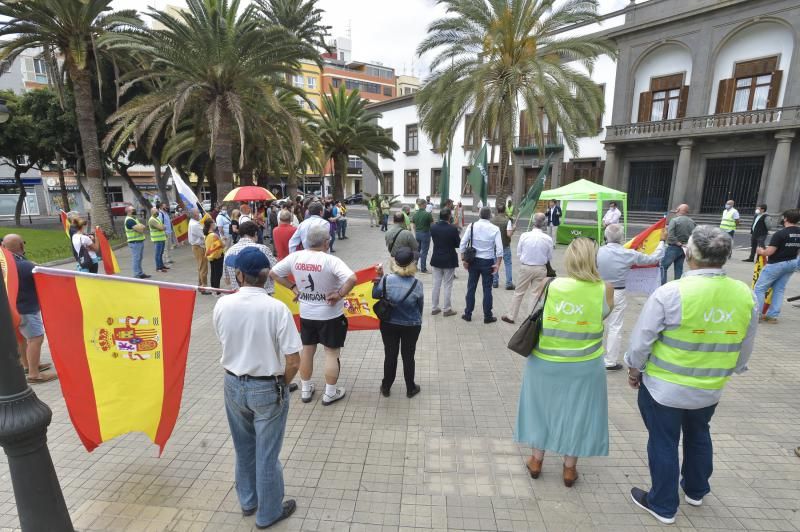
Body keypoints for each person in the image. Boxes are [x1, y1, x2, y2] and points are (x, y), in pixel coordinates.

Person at [625, 226, 757, 525]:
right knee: (699, 434)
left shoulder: (671, 292)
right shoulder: (743, 293)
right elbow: (745, 345)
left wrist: (634, 369)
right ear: (725, 257)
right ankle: (696, 490)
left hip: (664, 388)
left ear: (689, 253)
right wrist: (732, 369)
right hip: (710, 386)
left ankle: (662, 504)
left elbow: (640, 342)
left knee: (663, 441)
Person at [213, 247, 300, 528]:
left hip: (233, 383)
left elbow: (223, 340)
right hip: (268, 386)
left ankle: (248, 501)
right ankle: (268, 512)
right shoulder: (277, 309)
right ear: (266, 277)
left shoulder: (223, 305)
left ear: (239, 275)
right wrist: (282, 385)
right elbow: (293, 361)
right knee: (267, 453)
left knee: (244, 447)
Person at [516, 237, 614, 487]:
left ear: (569, 259)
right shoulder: (606, 289)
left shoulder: (551, 285)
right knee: (577, 413)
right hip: (586, 364)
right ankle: (569, 469)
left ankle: (536, 460)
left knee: (541, 408)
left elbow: (536, 310)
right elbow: (605, 314)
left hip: (546, 360)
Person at [270, 226, 357, 406]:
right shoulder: (331, 260)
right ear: (326, 242)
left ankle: (306, 389)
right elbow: (352, 278)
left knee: (307, 351)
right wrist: (339, 295)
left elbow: (273, 273)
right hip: (330, 315)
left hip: (307, 314)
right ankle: (330, 393)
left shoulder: (296, 257)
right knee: (331, 353)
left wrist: (293, 287)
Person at [597, 223, 665, 370]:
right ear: (622, 238)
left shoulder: (597, 251)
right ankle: (610, 360)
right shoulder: (628, 254)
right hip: (618, 292)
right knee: (615, 326)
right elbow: (654, 258)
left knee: (594, 323)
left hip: (598, 290)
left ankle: (590, 355)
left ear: (605, 236)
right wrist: (661, 242)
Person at [2, 234, 57, 383]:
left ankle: (28, 365)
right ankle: (34, 374)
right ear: (21, 246)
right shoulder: (26, 265)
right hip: (27, 308)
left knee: (23, 339)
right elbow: (45, 275)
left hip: (13, 307)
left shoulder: (7, 263)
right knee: (36, 338)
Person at [372, 248, 424, 398]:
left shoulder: (386, 279)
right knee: (408, 356)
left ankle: (386, 387)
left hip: (389, 323)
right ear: (412, 264)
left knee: (390, 354)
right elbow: (420, 307)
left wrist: (378, 279)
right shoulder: (417, 284)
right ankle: (410, 388)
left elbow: (375, 295)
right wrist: (416, 321)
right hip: (411, 325)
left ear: (395, 263)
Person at [501, 213, 552, 324]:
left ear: (533, 222)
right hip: (541, 268)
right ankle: (531, 318)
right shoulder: (548, 238)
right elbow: (549, 257)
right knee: (535, 294)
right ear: (544, 223)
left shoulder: (524, 236)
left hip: (526, 266)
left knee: (519, 292)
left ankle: (511, 316)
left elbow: (519, 253)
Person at [754, 209, 800, 322]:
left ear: (785, 218)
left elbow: (769, 252)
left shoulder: (780, 234)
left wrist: (760, 251)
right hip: (792, 262)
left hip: (777, 264)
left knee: (760, 288)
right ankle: (773, 315)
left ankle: (757, 314)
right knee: (779, 289)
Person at [459, 207, 503, 324]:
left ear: (479, 214)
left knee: (471, 287)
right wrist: (498, 264)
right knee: (487, 289)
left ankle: (468, 314)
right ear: (490, 216)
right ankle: (487, 316)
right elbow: (499, 249)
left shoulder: (472, 226)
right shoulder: (495, 229)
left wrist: (463, 258)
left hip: (473, 260)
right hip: (488, 261)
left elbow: (463, 243)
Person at [224, 221, 277, 293]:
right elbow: (276, 271)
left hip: (238, 294)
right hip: (262, 294)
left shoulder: (229, 252)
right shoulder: (262, 249)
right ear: (255, 234)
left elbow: (227, 280)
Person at [430, 208, 460, 317]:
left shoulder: (433, 227)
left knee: (436, 284)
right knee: (447, 285)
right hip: (449, 259)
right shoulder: (452, 229)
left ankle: (434, 307)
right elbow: (458, 244)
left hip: (436, 258)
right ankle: (446, 309)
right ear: (449, 217)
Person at [661, 204, 695, 285]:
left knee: (663, 267)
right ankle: (678, 286)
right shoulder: (692, 222)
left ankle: (662, 285)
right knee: (679, 268)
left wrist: (678, 243)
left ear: (679, 210)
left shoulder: (674, 220)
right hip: (684, 248)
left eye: (677, 209)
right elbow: (694, 235)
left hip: (674, 247)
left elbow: (671, 235)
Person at [491, 204, 515, 290]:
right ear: (504, 211)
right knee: (508, 264)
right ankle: (509, 283)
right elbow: (509, 234)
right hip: (505, 245)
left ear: (497, 210)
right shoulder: (507, 221)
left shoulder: (492, 220)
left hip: (494, 246)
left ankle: (495, 282)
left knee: (494, 263)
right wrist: (513, 229)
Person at [123, 205, 149, 279]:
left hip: (138, 242)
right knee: (136, 258)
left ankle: (140, 273)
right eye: (133, 209)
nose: (134, 210)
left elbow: (143, 227)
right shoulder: (129, 220)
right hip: (135, 243)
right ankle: (137, 274)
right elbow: (141, 229)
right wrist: (141, 227)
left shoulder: (134, 219)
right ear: (128, 211)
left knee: (139, 258)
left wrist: (141, 227)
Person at [410, 198, 433, 273]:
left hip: (417, 234)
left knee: (417, 250)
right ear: (423, 204)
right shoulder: (427, 214)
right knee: (424, 252)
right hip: (425, 234)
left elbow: (413, 225)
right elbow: (432, 225)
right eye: (425, 204)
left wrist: (415, 232)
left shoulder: (415, 214)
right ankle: (423, 268)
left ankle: (414, 266)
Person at [188, 210, 209, 293]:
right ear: (195, 215)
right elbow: (204, 235)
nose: (200, 215)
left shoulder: (193, 222)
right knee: (203, 267)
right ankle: (204, 287)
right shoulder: (195, 224)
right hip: (199, 247)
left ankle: (200, 285)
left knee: (201, 266)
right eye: (198, 213)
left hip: (197, 246)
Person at [204, 218, 225, 293]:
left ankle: (213, 288)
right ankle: (217, 290)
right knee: (218, 274)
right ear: (211, 225)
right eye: (213, 223)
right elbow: (221, 245)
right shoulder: (214, 235)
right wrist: (223, 239)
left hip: (211, 256)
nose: (215, 224)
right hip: (217, 256)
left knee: (213, 273)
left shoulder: (207, 234)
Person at [148, 207, 168, 273]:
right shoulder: (152, 220)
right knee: (158, 254)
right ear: (152, 212)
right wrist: (163, 227)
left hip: (161, 238)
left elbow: (163, 226)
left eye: (157, 211)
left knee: (161, 253)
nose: (157, 212)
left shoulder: (157, 218)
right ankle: (158, 267)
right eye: (156, 211)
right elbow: (161, 227)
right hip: (157, 239)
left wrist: (163, 227)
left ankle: (162, 266)